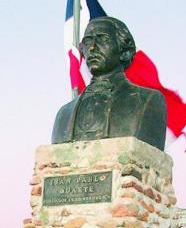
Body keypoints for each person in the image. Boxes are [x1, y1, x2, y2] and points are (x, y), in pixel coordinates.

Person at [52, 16, 167, 151]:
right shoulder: (64, 113)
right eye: (88, 41)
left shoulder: (147, 101)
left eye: (103, 39)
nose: (92, 48)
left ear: (124, 52)